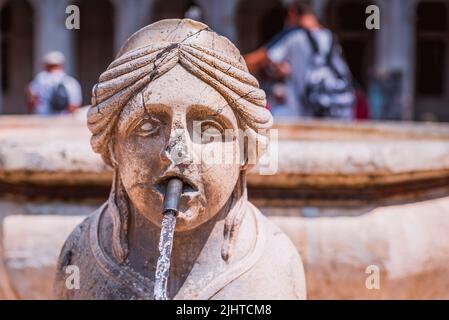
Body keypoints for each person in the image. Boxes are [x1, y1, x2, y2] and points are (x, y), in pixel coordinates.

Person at [245, 0, 355, 119]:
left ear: (292, 12)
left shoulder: (293, 34)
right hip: (341, 114)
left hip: (304, 116)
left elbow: (254, 61)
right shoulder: (328, 36)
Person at [26, 51, 82, 115]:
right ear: (62, 65)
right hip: (64, 119)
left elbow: (31, 100)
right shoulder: (71, 81)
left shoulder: (40, 79)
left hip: (42, 118)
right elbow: (75, 104)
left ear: (46, 65)